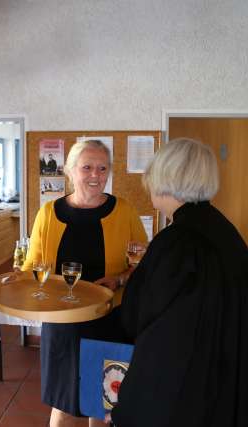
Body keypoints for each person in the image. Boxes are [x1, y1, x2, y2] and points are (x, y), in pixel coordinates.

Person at [111, 138, 248, 427]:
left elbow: (139, 317)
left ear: (164, 178)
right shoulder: (227, 233)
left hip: (179, 392)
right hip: (222, 382)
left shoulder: (176, 241)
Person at [23, 139, 147, 427]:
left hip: (109, 320)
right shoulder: (49, 214)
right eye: (87, 167)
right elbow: (33, 268)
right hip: (63, 324)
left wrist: (119, 278)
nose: (95, 175)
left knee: (101, 406)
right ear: (70, 171)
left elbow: (143, 264)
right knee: (64, 404)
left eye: (102, 168)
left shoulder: (125, 211)